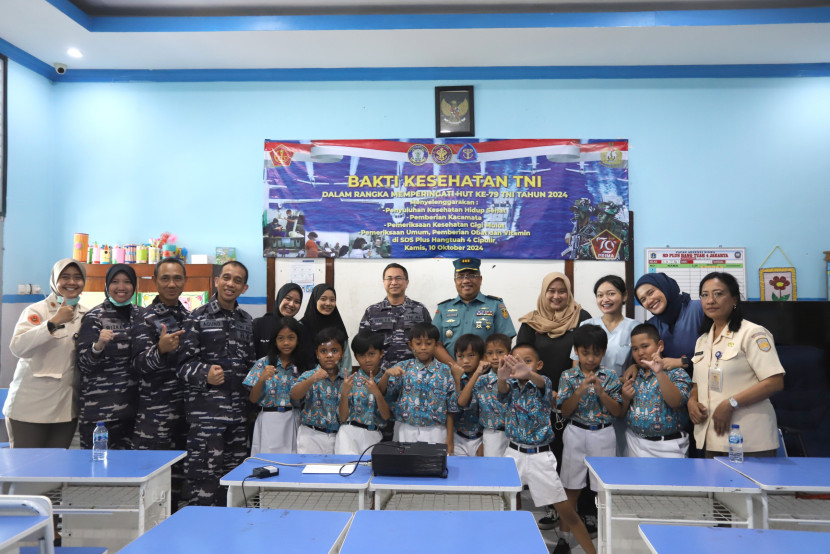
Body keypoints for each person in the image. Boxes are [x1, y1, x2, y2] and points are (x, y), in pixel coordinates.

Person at [497, 344, 596, 554]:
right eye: (516, 360)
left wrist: (529, 373)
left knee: (566, 511)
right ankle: (516, 546)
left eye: (528, 360)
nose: (521, 365)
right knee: (509, 506)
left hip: (539, 456)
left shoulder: (543, 383)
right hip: (513, 453)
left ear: (539, 365)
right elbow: (502, 392)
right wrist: (502, 378)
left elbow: (542, 382)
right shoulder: (511, 385)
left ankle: (592, 551)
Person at [177, 261, 255, 506]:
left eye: (238, 280)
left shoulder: (246, 321)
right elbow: (182, 365)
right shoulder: (197, 317)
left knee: (236, 486)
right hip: (206, 419)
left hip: (239, 420)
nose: (231, 284)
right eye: (227, 277)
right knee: (205, 485)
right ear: (217, 281)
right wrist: (204, 373)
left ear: (244, 288)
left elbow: (251, 366)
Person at [517, 271, 590, 530]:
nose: (556, 296)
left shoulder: (582, 318)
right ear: (544, 292)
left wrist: (566, 389)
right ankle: (555, 509)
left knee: (575, 457)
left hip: (574, 398)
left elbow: (587, 354)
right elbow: (520, 361)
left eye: (562, 291)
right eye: (551, 290)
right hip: (539, 401)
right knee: (550, 455)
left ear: (568, 293)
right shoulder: (530, 322)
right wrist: (545, 389)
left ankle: (583, 511)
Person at [687, 272, 785, 458]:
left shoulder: (753, 334)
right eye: (705, 295)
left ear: (734, 299)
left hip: (750, 439)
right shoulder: (702, 340)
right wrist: (692, 401)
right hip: (712, 437)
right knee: (715, 488)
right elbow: (697, 385)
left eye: (718, 294)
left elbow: (775, 382)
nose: (710, 300)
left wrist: (731, 403)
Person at [4, 259, 88, 448]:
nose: (72, 282)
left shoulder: (86, 314)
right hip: (31, 407)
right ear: (54, 280)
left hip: (66, 408)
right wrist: (52, 322)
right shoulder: (36, 311)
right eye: (65, 277)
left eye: (77, 277)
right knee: (26, 471)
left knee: (56, 470)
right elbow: (18, 347)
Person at [558, 324, 622, 536]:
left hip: (603, 433)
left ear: (604, 352)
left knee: (603, 488)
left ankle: (606, 538)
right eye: (585, 353)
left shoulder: (611, 376)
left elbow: (617, 411)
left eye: (596, 353)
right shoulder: (568, 376)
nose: (591, 359)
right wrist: (580, 390)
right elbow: (565, 411)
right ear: (576, 351)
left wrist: (601, 392)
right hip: (575, 432)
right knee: (571, 487)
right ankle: (565, 538)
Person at [570, 275, 638, 456]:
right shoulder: (587, 325)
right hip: (588, 403)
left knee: (618, 455)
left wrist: (635, 368)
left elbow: (641, 362)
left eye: (611, 294)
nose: (605, 299)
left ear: (624, 296)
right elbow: (575, 368)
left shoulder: (634, 327)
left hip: (619, 402)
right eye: (600, 295)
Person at [76, 263, 140, 449]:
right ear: (107, 285)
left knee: (129, 473)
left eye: (127, 282)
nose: (121, 287)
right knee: (97, 473)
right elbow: (84, 364)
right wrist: (98, 346)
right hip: (100, 414)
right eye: (115, 282)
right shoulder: (94, 317)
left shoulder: (142, 315)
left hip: (133, 412)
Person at [359, 263, 452, 372]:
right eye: (389, 279)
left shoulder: (420, 309)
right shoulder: (372, 312)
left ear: (407, 282)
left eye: (398, 278)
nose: (394, 282)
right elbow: (363, 345)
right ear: (384, 282)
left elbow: (431, 342)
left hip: (415, 375)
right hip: (381, 375)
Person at [381, 323, 458, 448]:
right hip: (406, 429)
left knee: (433, 465)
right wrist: (386, 375)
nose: (423, 347)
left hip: (436, 430)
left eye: (428, 343)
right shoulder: (403, 367)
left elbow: (451, 408)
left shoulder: (445, 371)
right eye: (418, 343)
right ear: (411, 345)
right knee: (405, 465)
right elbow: (382, 392)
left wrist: (450, 439)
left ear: (436, 345)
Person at [622, 323, 692, 458]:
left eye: (645, 346)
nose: (640, 353)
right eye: (635, 349)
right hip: (634, 443)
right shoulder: (634, 375)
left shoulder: (676, 373)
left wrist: (659, 372)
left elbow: (676, 401)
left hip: (669, 446)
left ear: (660, 345)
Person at [244, 316, 304, 455]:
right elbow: (252, 399)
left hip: (291, 419)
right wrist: (261, 379)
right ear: (274, 341)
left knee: (291, 464)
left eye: (291, 337)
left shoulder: (301, 365)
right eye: (281, 338)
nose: (286, 343)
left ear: (298, 339)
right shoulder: (263, 363)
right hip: (268, 420)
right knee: (266, 464)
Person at [433, 257, 516, 357]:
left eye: (471, 276)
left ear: (480, 279)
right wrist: (455, 368)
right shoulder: (443, 308)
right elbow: (435, 344)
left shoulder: (495, 305)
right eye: (460, 276)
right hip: (451, 370)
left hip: (486, 370)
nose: (466, 281)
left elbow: (505, 342)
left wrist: (482, 366)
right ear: (455, 281)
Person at [633, 273, 703, 377]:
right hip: (673, 387)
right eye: (643, 299)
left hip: (708, 383)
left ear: (664, 286)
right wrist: (635, 366)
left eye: (651, 292)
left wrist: (683, 362)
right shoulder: (652, 325)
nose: (649, 301)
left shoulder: (698, 309)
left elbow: (719, 350)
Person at [290, 327, 347, 454]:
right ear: (317, 354)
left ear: (342, 353)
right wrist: (312, 379)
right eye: (323, 351)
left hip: (338, 436)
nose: (329, 355)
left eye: (334, 350)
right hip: (311, 434)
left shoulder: (346, 380)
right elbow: (294, 395)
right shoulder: (308, 375)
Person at [334, 330, 391, 455]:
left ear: (381, 353)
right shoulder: (349, 380)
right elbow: (343, 418)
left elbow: (387, 417)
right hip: (348, 433)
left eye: (371, 354)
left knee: (370, 472)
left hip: (375, 435)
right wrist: (344, 394)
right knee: (346, 469)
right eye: (361, 355)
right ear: (355, 356)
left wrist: (377, 393)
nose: (367, 360)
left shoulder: (388, 380)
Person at [457, 333, 511, 457]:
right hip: (492, 434)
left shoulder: (516, 378)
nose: (495, 357)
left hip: (516, 434)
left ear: (509, 353)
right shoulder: (482, 380)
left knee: (514, 472)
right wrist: (477, 372)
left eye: (500, 352)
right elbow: (462, 402)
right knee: (494, 471)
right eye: (490, 353)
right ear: (485, 356)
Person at [300, 284, 352, 376]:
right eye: (323, 299)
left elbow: (346, 361)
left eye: (332, 300)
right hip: (307, 381)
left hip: (336, 382)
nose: (328, 303)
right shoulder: (301, 326)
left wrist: (343, 381)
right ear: (315, 300)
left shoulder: (338, 326)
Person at [252, 282, 306, 360]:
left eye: (297, 302)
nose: (291, 304)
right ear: (280, 298)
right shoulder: (259, 324)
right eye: (288, 298)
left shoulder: (299, 328)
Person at [452, 334, 486, 456]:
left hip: (482, 438)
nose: (465, 361)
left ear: (481, 357)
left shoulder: (486, 380)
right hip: (457, 438)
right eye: (460, 356)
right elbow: (458, 404)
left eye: (471, 355)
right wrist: (456, 380)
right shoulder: (453, 378)